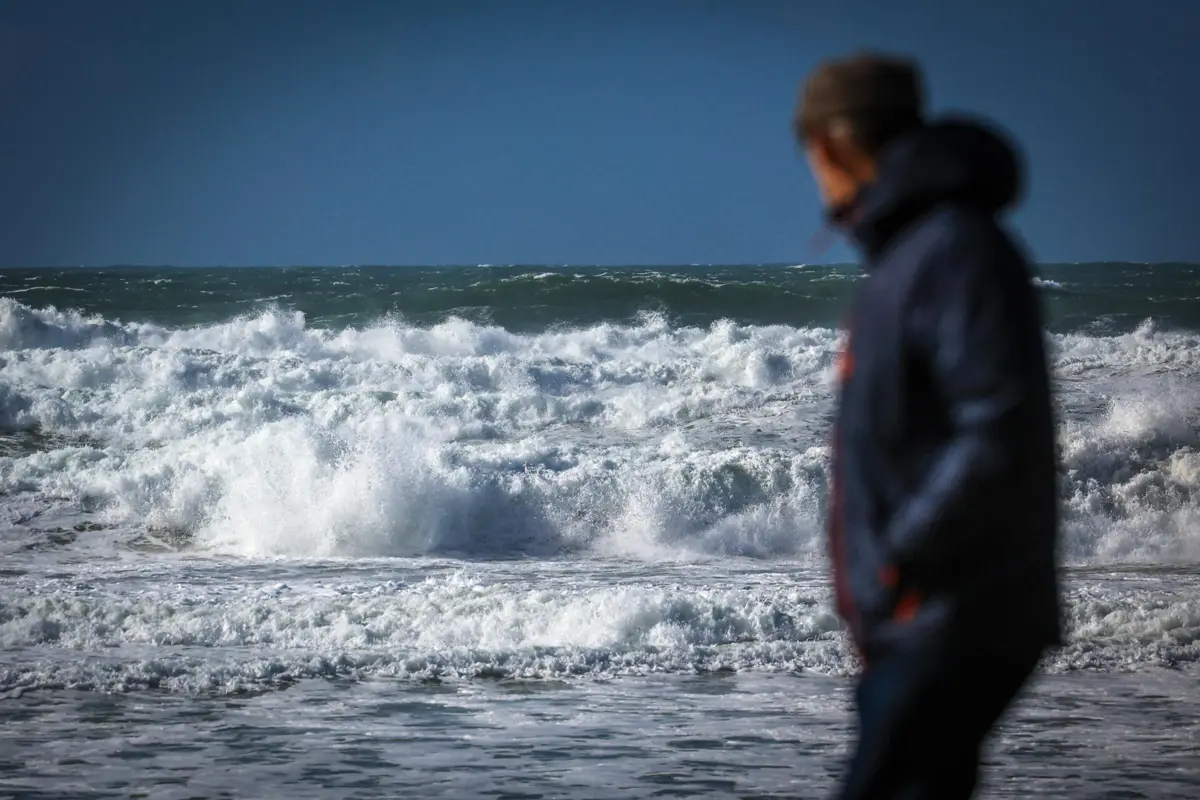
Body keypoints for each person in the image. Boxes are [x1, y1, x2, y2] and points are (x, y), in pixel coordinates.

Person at [794, 52, 1063, 799]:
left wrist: (899, 560)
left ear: (833, 145)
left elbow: (997, 427)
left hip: (947, 616)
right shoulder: (915, 256)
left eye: (810, 155)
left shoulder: (950, 251)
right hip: (922, 619)